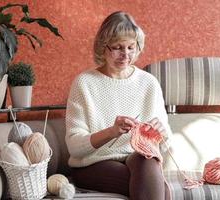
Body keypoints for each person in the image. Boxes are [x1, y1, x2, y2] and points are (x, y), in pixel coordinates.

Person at [65, 11, 172, 200]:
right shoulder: (84, 83)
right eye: (117, 47)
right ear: (103, 47)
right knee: (161, 189)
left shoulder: (149, 83)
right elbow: (74, 147)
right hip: (93, 165)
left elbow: (166, 145)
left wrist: (160, 133)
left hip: (137, 160)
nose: (125, 55)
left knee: (146, 159)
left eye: (131, 47)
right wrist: (112, 132)